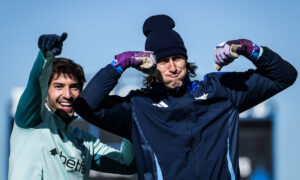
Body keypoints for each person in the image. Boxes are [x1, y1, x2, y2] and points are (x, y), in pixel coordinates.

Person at [74, 15, 298, 180]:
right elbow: (86, 106)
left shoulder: (221, 90)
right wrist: (119, 64)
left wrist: (249, 49)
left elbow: (284, 76)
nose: (172, 67)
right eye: (163, 61)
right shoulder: (139, 107)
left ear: (186, 60)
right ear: (151, 66)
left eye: (177, 58)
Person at [8, 33, 136, 180]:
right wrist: (46, 55)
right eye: (59, 86)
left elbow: (127, 164)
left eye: (74, 87)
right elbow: (36, 85)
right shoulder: (32, 122)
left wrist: (128, 123)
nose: (67, 95)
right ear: (46, 94)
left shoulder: (86, 143)